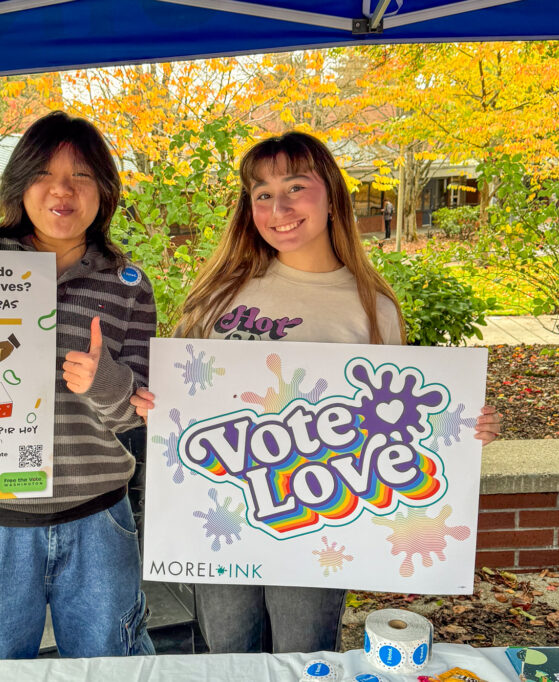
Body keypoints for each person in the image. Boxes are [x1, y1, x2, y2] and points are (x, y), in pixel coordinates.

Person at [131, 131, 500, 655]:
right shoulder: (216, 295)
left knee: (305, 657)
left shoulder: (372, 309)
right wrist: (157, 408)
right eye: (261, 194)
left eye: (295, 187)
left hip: (319, 520)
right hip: (221, 513)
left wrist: (463, 429)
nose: (277, 207)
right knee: (227, 656)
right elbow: (181, 405)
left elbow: (396, 424)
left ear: (332, 196)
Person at [0, 111, 156, 660]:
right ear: (20, 185)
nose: (62, 190)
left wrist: (107, 383)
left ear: (105, 190)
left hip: (99, 518)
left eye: (82, 175)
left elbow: (135, 415)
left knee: (109, 668)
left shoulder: (129, 285)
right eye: (44, 174)